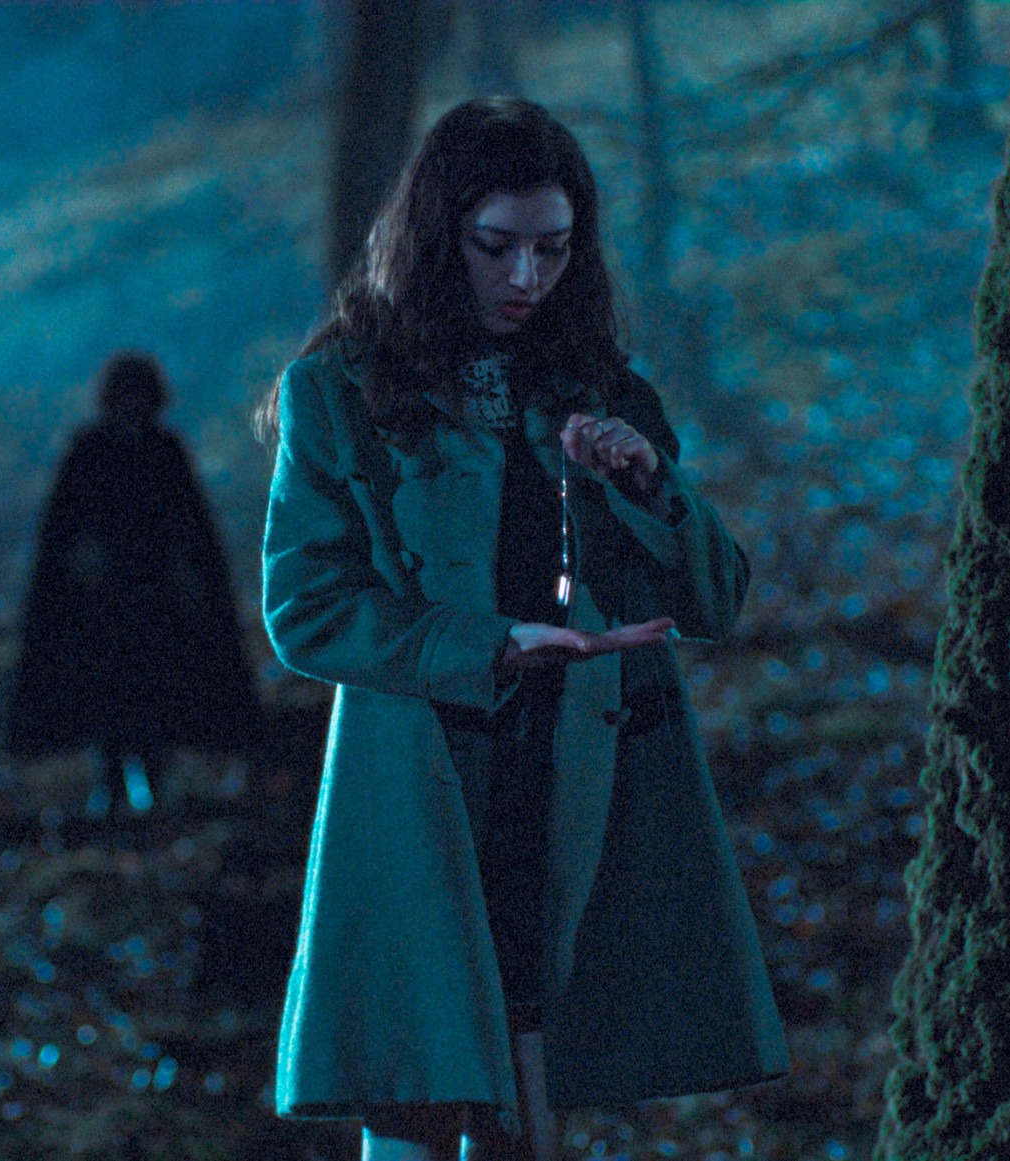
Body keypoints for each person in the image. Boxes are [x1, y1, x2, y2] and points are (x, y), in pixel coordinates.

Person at [260, 98, 788, 1161]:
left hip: (570, 772)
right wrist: (485, 645)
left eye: (553, 248)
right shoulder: (339, 391)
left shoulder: (601, 389)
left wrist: (651, 485)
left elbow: (715, 600)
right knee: (417, 1078)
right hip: (420, 780)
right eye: (495, 245)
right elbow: (305, 605)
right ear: (436, 236)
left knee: (534, 1071)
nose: (525, 277)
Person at [9, 351, 260, 824]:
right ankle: (111, 783)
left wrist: (189, 580)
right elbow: (63, 529)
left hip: (153, 597)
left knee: (155, 689)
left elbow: (191, 526)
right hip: (102, 600)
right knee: (108, 691)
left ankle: (150, 781)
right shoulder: (90, 448)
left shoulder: (164, 448)